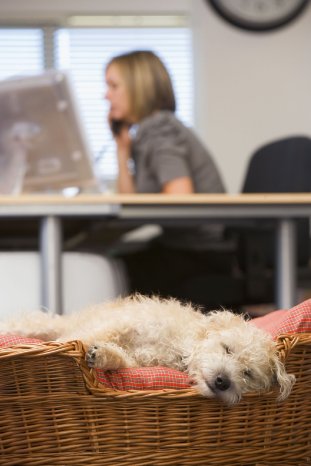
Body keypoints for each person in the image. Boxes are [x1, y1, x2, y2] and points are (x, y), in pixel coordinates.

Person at [104, 50, 232, 307]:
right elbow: (129, 202)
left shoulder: (160, 129)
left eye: (113, 86)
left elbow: (180, 196)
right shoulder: (150, 132)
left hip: (201, 253)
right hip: (185, 247)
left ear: (138, 87)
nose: (106, 95)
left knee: (110, 270)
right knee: (114, 260)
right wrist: (122, 149)